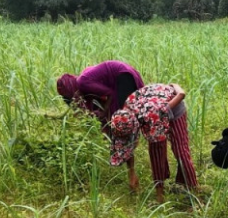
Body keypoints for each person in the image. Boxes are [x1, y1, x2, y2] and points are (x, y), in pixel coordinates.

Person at [57, 61, 145, 191]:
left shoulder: (83, 83)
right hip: (122, 78)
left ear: (71, 89)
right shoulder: (85, 87)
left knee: (122, 125)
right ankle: (128, 163)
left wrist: (103, 113)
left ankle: (132, 174)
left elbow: (109, 93)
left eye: (69, 96)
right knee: (115, 125)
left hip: (124, 78)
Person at [108, 83, 198, 203]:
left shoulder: (152, 116)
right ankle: (161, 193)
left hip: (173, 109)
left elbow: (181, 94)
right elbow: (128, 146)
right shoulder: (124, 115)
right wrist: (131, 173)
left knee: (180, 152)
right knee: (156, 153)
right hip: (154, 107)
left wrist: (175, 87)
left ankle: (194, 193)